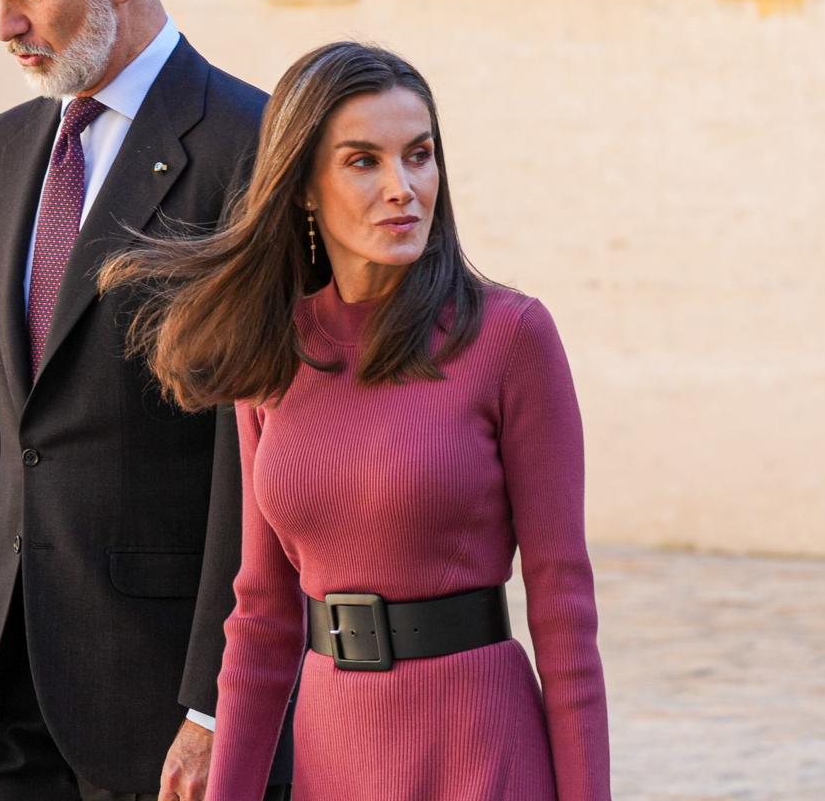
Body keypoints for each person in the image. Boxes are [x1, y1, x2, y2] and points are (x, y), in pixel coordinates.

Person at [98, 42, 613, 799]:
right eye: (363, 161)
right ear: (304, 187)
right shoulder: (271, 352)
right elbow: (264, 616)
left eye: (420, 155)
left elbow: (564, 607)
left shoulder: (510, 336)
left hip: (480, 745)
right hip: (334, 749)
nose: (403, 187)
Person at [0, 0, 291, 799]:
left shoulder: (252, 142)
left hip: (155, 697)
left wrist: (217, 703)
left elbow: (252, 457)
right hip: (4, 694)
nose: (4, 25)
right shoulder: (2, 144)